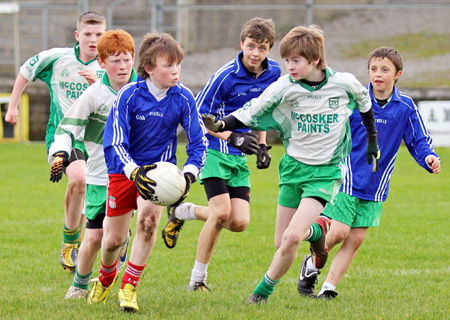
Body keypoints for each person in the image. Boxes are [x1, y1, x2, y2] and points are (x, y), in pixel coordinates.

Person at [202, 24, 380, 304]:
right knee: (281, 240)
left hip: (325, 172)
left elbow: (364, 101)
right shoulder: (286, 86)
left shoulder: (343, 83)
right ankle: (318, 230)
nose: (290, 67)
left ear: (316, 60)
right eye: (286, 61)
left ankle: (261, 292)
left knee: (291, 239)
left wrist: (372, 139)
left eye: (296, 61)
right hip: (293, 169)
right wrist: (224, 124)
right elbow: (254, 109)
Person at [297, 47, 441, 299]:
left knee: (355, 239)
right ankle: (311, 264)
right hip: (347, 176)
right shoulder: (357, 100)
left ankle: (328, 288)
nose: (378, 74)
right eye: (374, 69)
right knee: (339, 232)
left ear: (398, 74)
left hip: (376, 185)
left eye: (385, 69)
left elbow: (419, 140)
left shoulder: (405, 106)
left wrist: (429, 157)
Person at [87, 31, 208, 313]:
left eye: (178, 64)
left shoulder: (183, 97)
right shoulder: (128, 95)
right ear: (150, 68)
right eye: (168, 65)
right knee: (114, 240)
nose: (176, 70)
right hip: (124, 171)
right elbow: (114, 141)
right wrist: (133, 172)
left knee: (148, 222)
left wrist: (189, 173)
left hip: (160, 173)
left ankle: (129, 286)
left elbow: (199, 140)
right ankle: (106, 276)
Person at [161, 17, 281, 292]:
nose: (255, 53)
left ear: (269, 50)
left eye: (262, 48)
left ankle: (182, 211)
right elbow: (200, 118)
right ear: (241, 44)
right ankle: (197, 281)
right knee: (220, 213)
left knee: (238, 222)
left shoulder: (274, 73)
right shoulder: (225, 75)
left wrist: (261, 145)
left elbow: (262, 113)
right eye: (251, 46)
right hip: (212, 150)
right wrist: (233, 136)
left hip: (238, 157)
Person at [4, 11, 107, 273]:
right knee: (79, 179)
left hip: (97, 141)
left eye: (99, 35)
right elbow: (26, 70)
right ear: (77, 35)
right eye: (88, 34)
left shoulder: (111, 66)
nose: (93, 40)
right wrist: (12, 106)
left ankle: (83, 240)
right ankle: (70, 243)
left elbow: (124, 99)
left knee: (90, 191)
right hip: (65, 135)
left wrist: (100, 86)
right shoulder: (57, 58)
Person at [47, 29, 137, 299]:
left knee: (120, 234)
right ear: (101, 63)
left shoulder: (143, 91)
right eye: (114, 61)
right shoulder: (94, 95)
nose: (122, 67)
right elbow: (67, 129)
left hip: (133, 176)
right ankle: (79, 285)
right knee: (95, 239)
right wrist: (60, 153)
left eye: (126, 60)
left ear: (134, 59)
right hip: (99, 176)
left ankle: (119, 255)